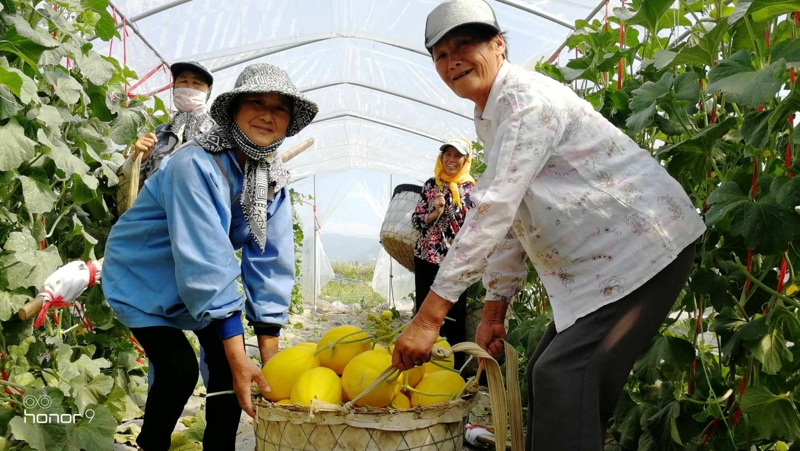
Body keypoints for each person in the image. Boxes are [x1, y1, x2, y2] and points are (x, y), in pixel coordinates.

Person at [390, 1, 706, 450]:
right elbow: (515, 217)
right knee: (550, 375)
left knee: (564, 376)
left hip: (642, 249)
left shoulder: (524, 101)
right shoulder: (491, 116)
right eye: (440, 55)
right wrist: (494, 311)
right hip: (604, 263)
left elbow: (494, 209)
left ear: (499, 46)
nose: (452, 60)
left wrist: (428, 319)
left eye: (464, 45)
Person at [102, 63, 318, 451]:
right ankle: (152, 445)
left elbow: (270, 260)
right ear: (234, 110)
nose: (267, 115)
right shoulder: (195, 163)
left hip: (194, 281)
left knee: (227, 367)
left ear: (289, 121)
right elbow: (207, 257)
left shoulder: (273, 178)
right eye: (256, 103)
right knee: (179, 370)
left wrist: (271, 360)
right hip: (141, 275)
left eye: (279, 108)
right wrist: (239, 356)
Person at [411, 138, 475, 368]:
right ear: (442, 158)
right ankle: (423, 367)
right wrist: (435, 212)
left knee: (455, 316)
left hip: (456, 262)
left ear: (466, 160)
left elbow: (474, 227)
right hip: (427, 258)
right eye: (447, 155)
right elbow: (416, 221)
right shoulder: (432, 185)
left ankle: (456, 369)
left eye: (457, 156)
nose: (451, 160)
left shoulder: (472, 191)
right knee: (423, 311)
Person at [131, 60, 216, 183]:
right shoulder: (158, 133)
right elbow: (139, 184)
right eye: (183, 81)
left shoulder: (218, 134)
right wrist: (139, 160)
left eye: (197, 83)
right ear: (174, 87)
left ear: (208, 91)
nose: (189, 88)